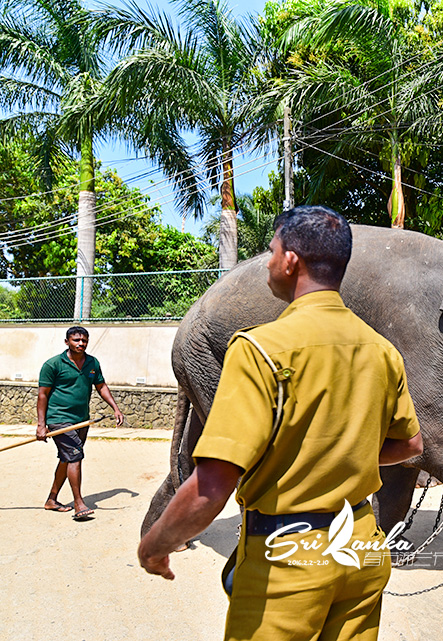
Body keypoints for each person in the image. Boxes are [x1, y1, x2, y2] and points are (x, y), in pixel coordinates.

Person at [138, 205, 423, 641]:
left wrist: (155, 546)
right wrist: (348, 454)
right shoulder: (382, 351)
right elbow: (411, 446)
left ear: (291, 261)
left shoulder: (260, 348)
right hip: (363, 549)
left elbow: (214, 482)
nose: (268, 262)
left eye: (271, 251)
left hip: (287, 560)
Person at [37, 326, 125, 521]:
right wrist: (41, 425)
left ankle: (51, 500)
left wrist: (115, 408)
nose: (81, 344)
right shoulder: (53, 365)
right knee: (75, 456)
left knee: (67, 458)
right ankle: (79, 504)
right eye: (76, 340)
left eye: (84, 340)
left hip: (82, 420)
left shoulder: (92, 363)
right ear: (67, 341)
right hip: (59, 419)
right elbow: (42, 395)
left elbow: (101, 386)